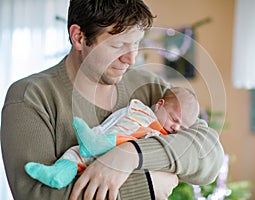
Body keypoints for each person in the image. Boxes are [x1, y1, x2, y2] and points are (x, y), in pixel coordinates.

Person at [1, 0, 224, 200]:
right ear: (79, 37)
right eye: (117, 46)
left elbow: (209, 154)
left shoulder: (149, 86)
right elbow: (37, 195)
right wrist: (147, 185)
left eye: (136, 43)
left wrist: (129, 155)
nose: (131, 58)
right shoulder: (30, 97)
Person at [24, 87, 200, 189]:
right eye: (174, 119)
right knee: (74, 152)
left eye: (182, 127)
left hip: (120, 156)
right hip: (99, 143)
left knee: (134, 138)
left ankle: (97, 144)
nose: (175, 128)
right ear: (159, 105)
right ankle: (58, 174)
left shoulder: (164, 137)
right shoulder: (143, 113)